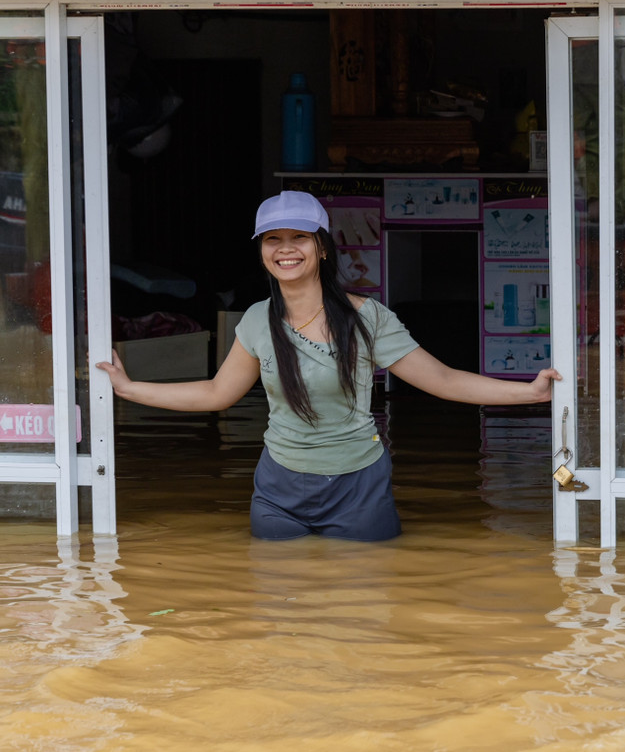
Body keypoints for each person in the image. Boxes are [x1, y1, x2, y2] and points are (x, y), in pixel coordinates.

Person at [96, 190, 560, 541]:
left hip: (358, 487)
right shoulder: (258, 320)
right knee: (280, 607)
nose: (286, 249)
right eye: (273, 239)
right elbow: (217, 394)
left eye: (298, 237)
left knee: (361, 605)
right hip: (279, 492)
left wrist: (529, 391)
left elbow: (441, 379)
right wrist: (130, 388)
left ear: (321, 247)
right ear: (262, 251)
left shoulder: (366, 317)